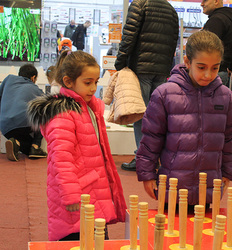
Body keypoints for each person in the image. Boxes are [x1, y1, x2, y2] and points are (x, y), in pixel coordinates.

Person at [27, 51, 126, 241]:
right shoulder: (64, 114)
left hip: (91, 189)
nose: (93, 88)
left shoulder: (88, 108)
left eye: (96, 82)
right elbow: (61, 158)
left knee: (96, 238)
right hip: (78, 195)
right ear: (69, 81)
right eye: (88, 83)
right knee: (77, 239)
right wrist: (71, 195)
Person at [136, 30, 232, 206]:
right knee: (171, 231)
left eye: (215, 68)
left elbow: (228, 139)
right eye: (201, 67)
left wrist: (228, 172)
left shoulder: (226, 97)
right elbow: (151, 138)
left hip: (208, 187)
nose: (208, 74)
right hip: (173, 186)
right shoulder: (165, 94)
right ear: (187, 61)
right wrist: (147, 174)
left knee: (204, 232)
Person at [115, 0, 179, 171]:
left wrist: (120, 62)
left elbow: (129, 35)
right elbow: (174, 41)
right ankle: (157, 157)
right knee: (158, 116)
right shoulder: (170, 9)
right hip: (161, 69)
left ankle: (142, 158)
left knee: (140, 115)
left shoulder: (139, 4)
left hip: (141, 67)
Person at [0, 64, 47, 161]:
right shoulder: (36, 90)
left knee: (27, 149)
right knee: (43, 114)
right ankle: (36, 146)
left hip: (5, 126)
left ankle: (16, 143)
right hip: (24, 123)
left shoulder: (8, 79)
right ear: (33, 78)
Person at [201, 0, 232, 87]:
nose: (202, 4)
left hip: (211, 73)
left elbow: (205, 48)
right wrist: (231, 66)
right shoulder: (228, 18)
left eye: (205, 1)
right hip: (221, 71)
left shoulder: (216, 20)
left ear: (216, 1)